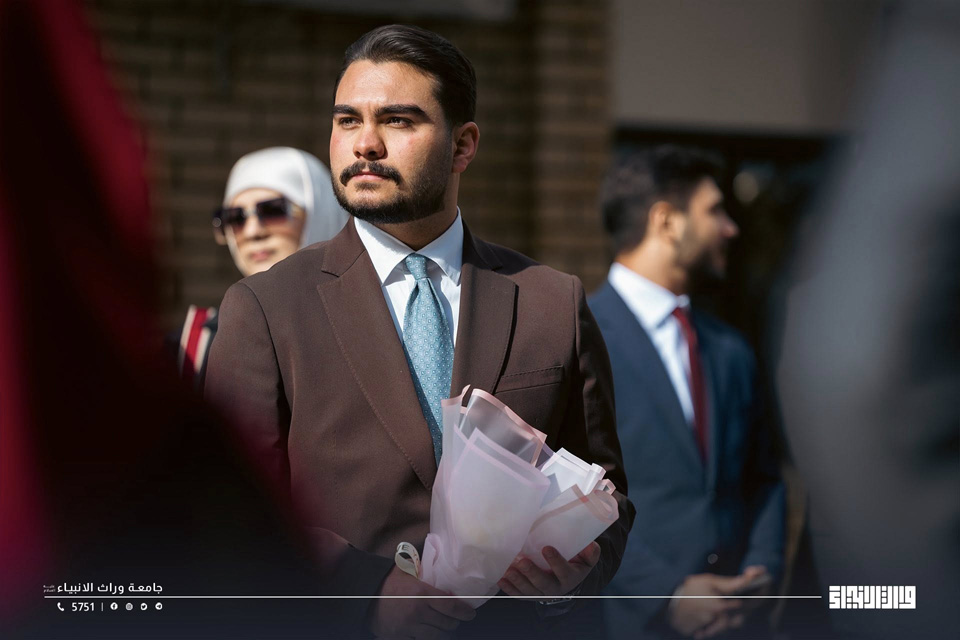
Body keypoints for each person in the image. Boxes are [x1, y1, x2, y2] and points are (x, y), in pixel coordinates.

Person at [205, 24, 633, 639]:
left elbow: (607, 496)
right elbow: (232, 510)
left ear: (463, 145)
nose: (365, 144)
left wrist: (569, 579)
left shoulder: (551, 301)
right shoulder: (265, 308)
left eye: (398, 120)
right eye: (347, 120)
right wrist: (368, 593)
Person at [589, 146, 785, 639]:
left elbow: (763, 478)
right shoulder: (577, 338)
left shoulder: (731, 348)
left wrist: (761, 571)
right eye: (714, 210)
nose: (730, 229)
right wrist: (665, 595)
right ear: (667, 222)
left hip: (740, 623)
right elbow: (560, 499)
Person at [174, 147, 348, 389]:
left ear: (321, 212)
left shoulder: (367, 328)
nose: (253, 232)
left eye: (273, 210)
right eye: (235, 217)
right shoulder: (191, 347)